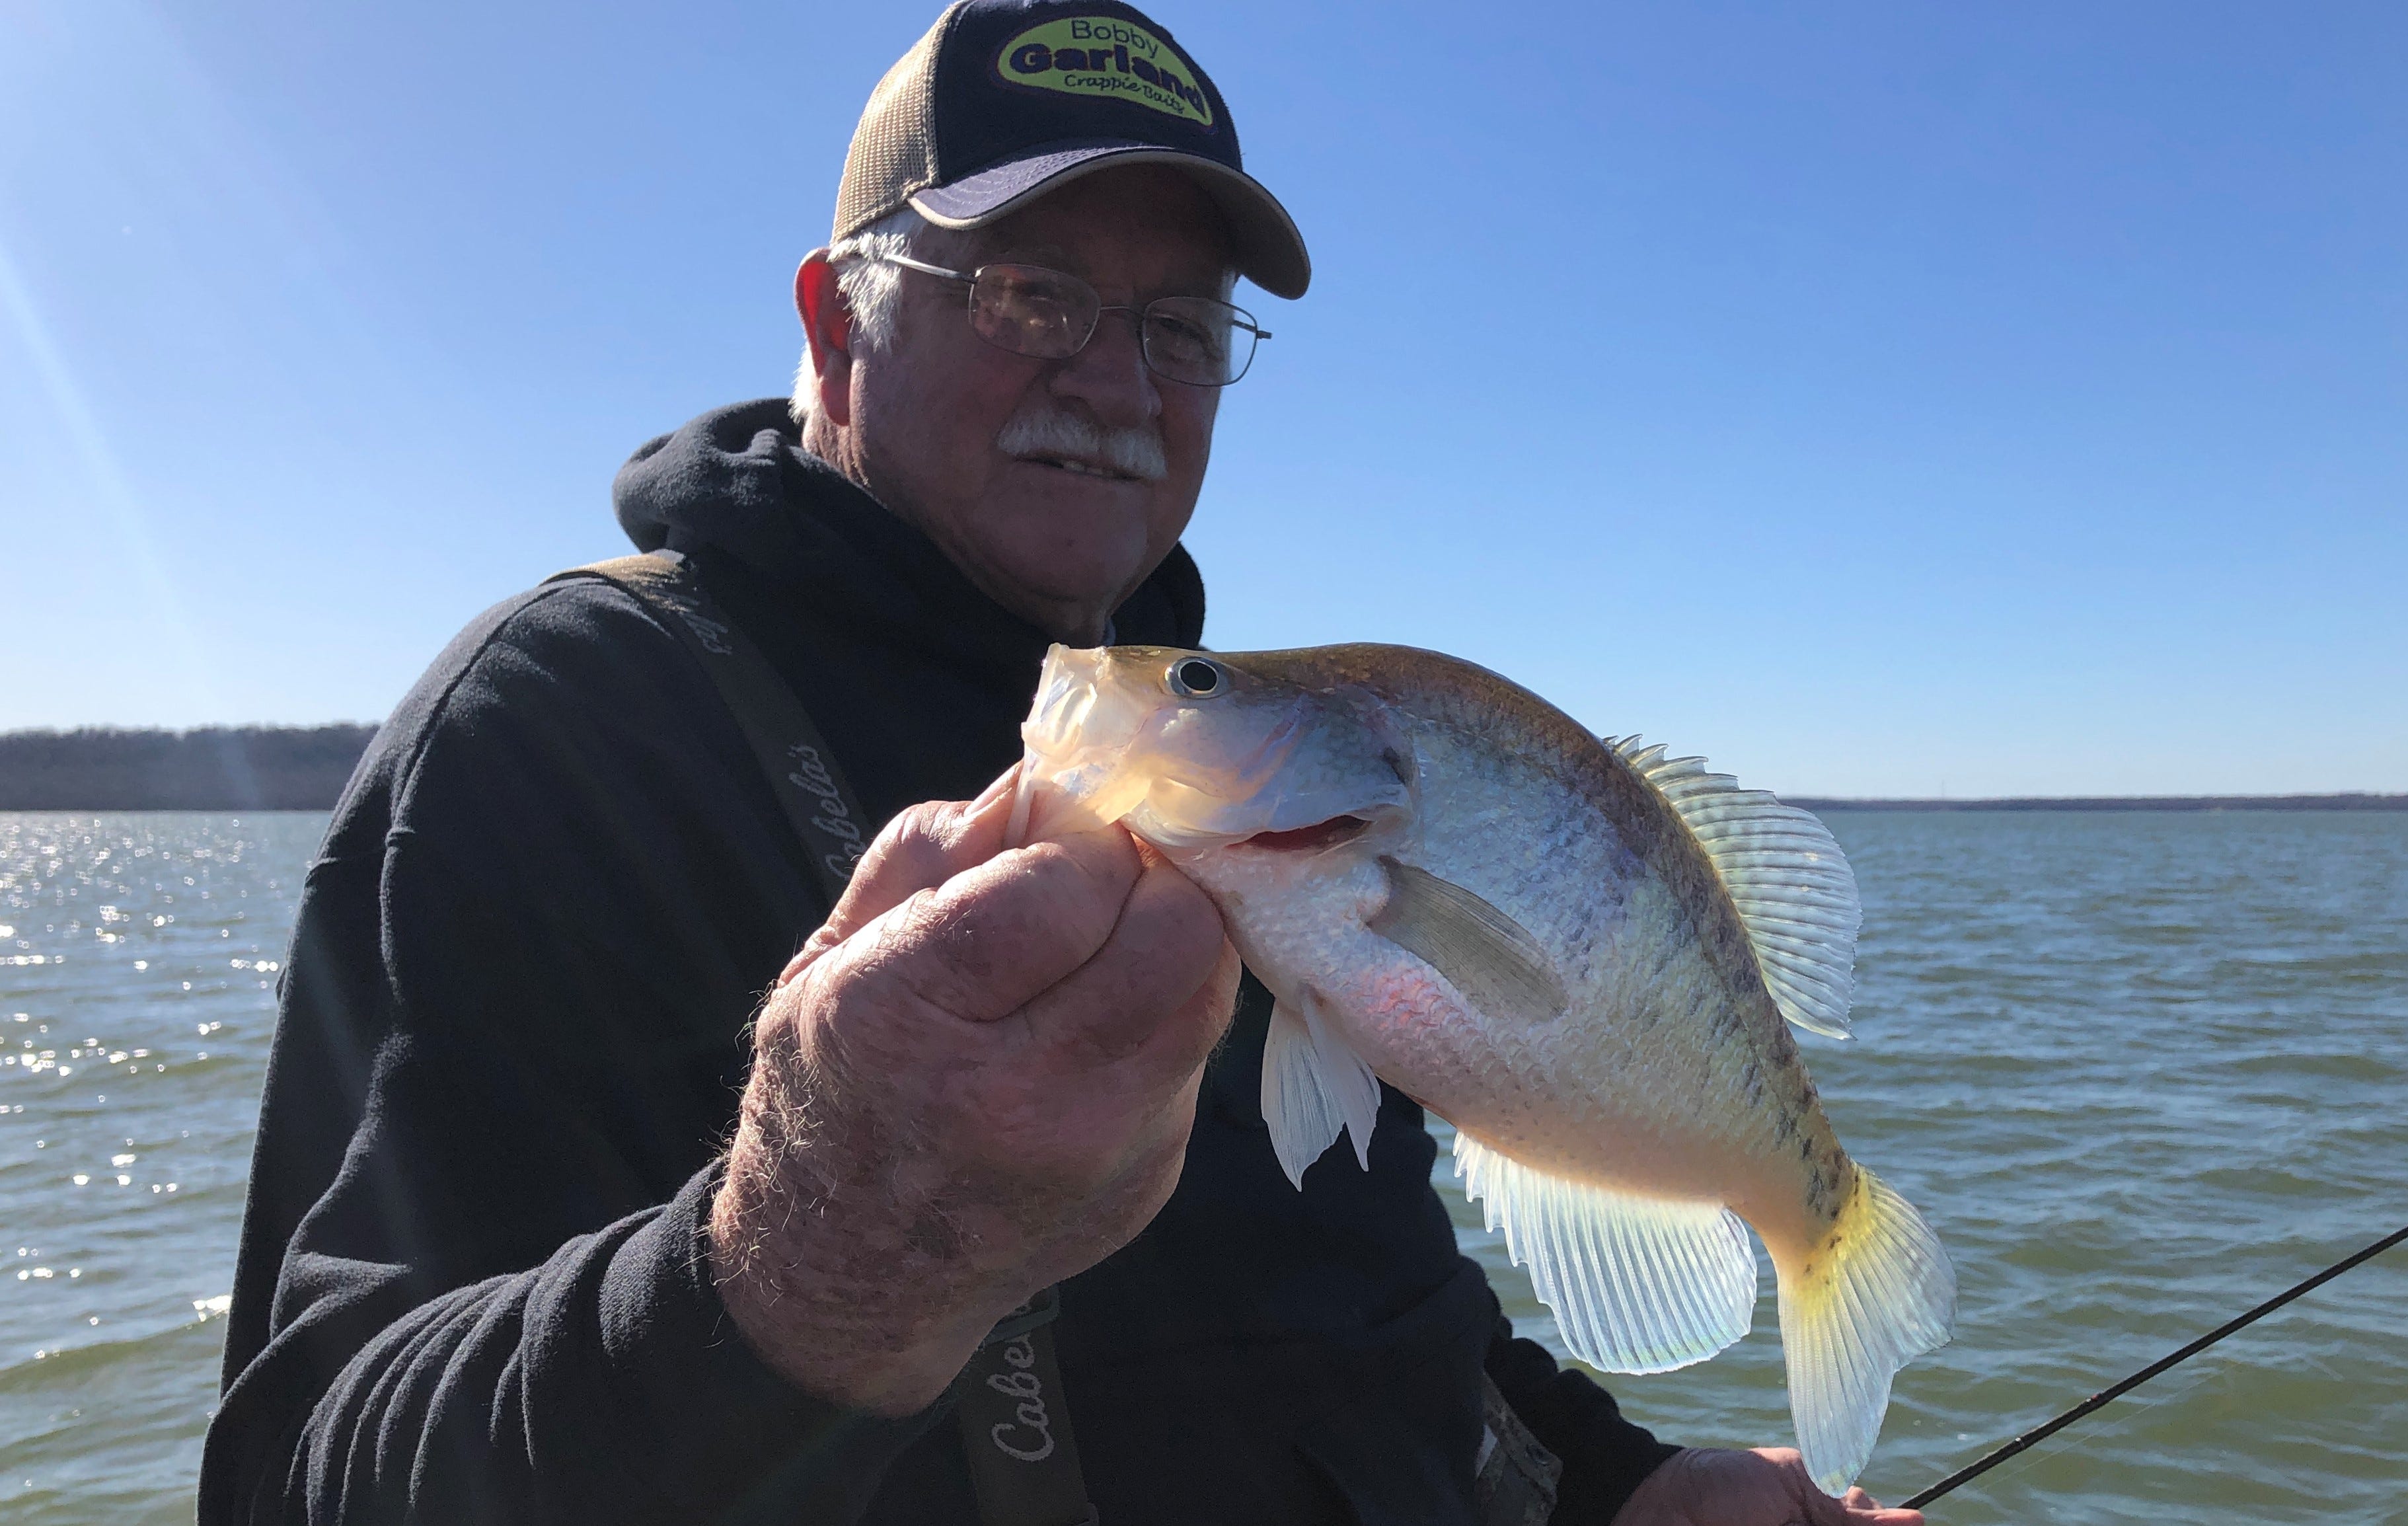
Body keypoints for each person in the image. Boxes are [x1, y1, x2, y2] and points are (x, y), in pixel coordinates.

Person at [200, 3, 1927, 1523]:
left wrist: (1614, 1490)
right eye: (1026, 291)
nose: (1114, 381)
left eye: (1180, 327)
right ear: (830, 324)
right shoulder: (570, 725)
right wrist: (802, 1265)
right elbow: (302, 1476)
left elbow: (1360, 1300)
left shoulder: (1251, 796)